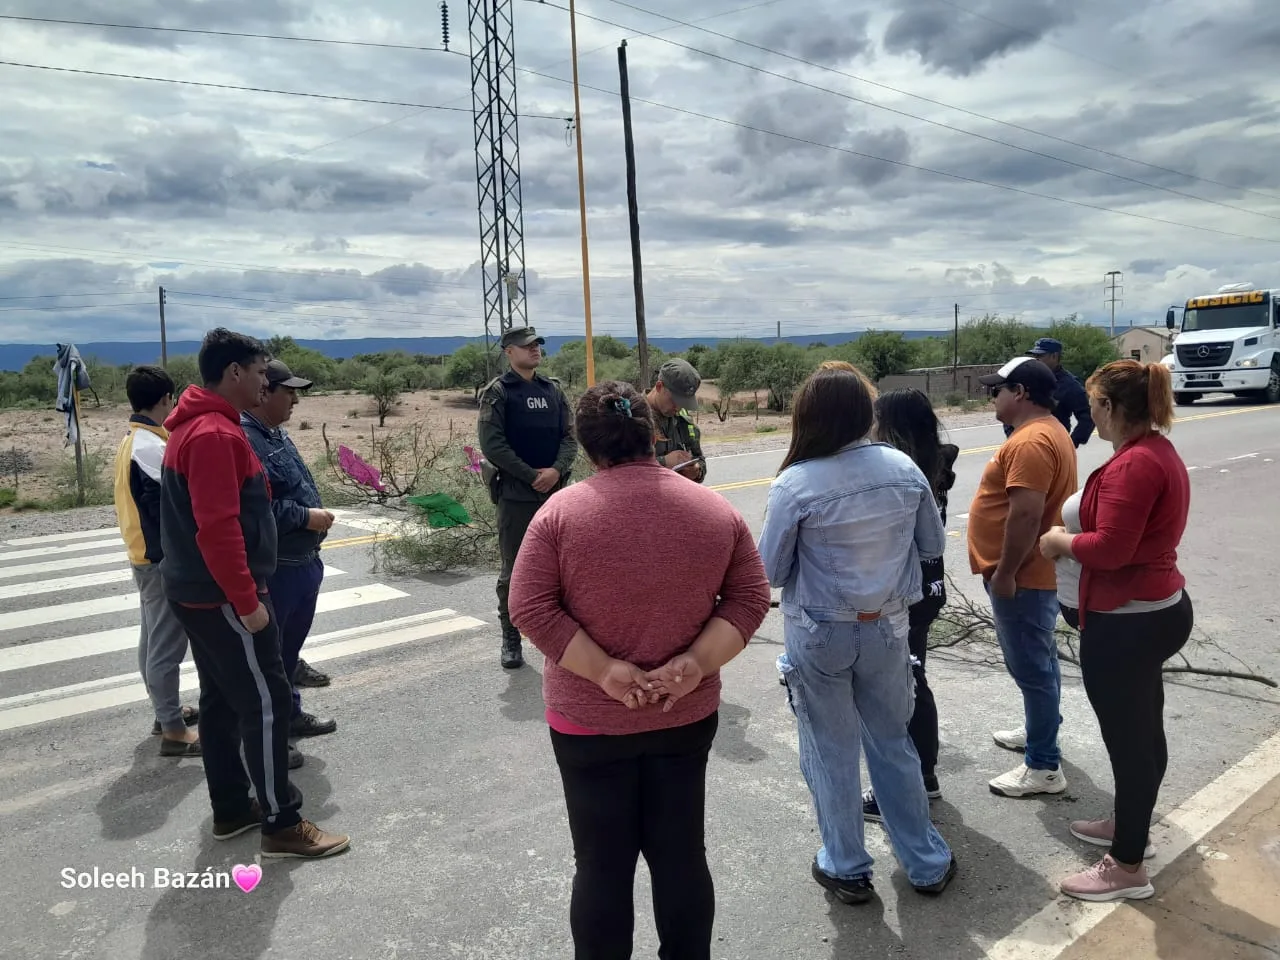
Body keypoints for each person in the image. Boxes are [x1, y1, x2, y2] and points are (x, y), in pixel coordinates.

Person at [508, 381, 770, 959]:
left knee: (601, 867)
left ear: (583, 443)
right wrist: (695, 665)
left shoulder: (560, 514)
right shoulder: (713, 509)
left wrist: (604, 672)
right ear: (653, 435)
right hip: (685, 715)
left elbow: (528, 606)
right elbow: (750, 597)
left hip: (588, 723)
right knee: (681, 858)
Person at [758, 367, 957, 905]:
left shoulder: (795, 482)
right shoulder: (905, 469)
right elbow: (932, 544)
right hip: (889, 628)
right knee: (892, 742)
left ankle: (846, 865)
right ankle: (925, 859)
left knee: (830, 750)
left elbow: (770, 572)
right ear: (866, 415)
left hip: (820, 632)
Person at [160, 328, 348, 859]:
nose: (268, 382)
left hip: (196, 590)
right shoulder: (216, 435)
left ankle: (233, 808)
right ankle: (281, 823)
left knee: (221, 702)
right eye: (262, 372)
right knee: (265, 704)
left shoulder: (200, 425)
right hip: (222, 596)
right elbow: (218, 529)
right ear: (236, 372)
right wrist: (247, 603)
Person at [1039, 360, 1192, 902]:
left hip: (1129, 621)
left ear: (1110, 406)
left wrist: (1058, 543)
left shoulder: (1136, 465)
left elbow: (1111, 549)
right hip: (1151, 610)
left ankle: (1127, 867)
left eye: (1093, 404)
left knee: (1130, 742)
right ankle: (1134, 826)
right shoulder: (1154, 452)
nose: (1089, 414)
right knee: (1143, 729)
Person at [968, 357, 1077, 798]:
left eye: (999, 389)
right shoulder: (1045, 431)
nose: (993, 397)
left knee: (1031, 667)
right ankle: (1041, 731)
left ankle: (1043, 767)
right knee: (1039, 662)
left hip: (1024, 576)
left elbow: (1027, 513)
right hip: (1031, 573)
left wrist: (1007, 572)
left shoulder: (1031, 442)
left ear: (1021, 393)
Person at [862, 388, 960, 822]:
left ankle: (905, 787)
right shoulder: (935, 465)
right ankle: (926, 775)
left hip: (904, 594)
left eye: (878, 420)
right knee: (915, 681)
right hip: (928, 589)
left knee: (897, 693)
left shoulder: (898, 477)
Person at [241, 359, 337, 745]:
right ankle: (272, 737)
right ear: (264, 392)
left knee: (288, 652)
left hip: (303, 562)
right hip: (279, 567)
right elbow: (255, 508)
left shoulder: (275, 433)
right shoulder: (247, 439)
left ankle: (290, 715)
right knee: (270, 659)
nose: (295, 400)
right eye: (289, 391)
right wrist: (305, 517)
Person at [111, 364, 200, 757]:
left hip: (140, 554)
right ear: (166, 399)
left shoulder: (133, 440)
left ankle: (164, 710)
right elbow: (170, 507)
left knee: (151, 638)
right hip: (159, 559)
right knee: (166, 645)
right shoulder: (151, 448)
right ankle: (172, 730)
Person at [477, 325, 578, 670]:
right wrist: (532, 475)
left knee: (564, 568)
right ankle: (511, 637)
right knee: (515, 569)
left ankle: (563, 636)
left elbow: (569, 437)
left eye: (537, 344)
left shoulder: (553, 390)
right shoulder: (499, 393)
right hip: (518, 496)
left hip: (554, 492)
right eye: (526, 345)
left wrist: (555, 471)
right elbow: (493, 446)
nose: (534, 349)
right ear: (508, 352)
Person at [1002, 338, 1094, 447]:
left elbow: (1087, 416)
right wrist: (1012, 436)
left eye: (1040, 356)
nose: (1036, 359)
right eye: (1034, 356)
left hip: (1052, 446)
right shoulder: (1026, 378)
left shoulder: (1069, 385)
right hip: (1022, 444)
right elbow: (1010, 407)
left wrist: (1072, 443)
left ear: (1054, 356)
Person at [647, 358, 706, 483]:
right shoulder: (632, 419)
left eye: (683, 403)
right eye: (675, 401)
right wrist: (664, 462)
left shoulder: (683, 420)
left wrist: (696, 471)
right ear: (659, 387)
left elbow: (699, 458)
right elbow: (621, 471)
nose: (678, 408)